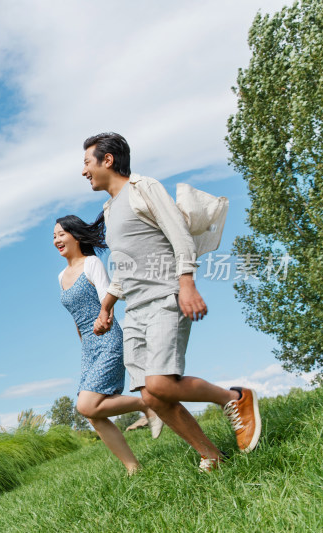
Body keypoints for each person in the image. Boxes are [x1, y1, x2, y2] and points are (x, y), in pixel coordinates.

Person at [82, 132, 261, 471]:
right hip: (134, 309)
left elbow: (178, 231)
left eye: (87, 162)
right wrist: (107, 307)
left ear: (108, 160)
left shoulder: (142, 188)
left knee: (161, 383)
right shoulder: (109, 208)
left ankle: (234, 398)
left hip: (164, 296)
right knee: (151, 396)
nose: (84, 171)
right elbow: (123, 267)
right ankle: (211, 455)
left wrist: (187, 282)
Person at [54, 214, 162, 475]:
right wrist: (84, 344)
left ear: (76, 236)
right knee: (93, 413)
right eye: (54, 236)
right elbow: (76, 319)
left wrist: (105, 320)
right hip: (88, 348)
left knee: (86, 405)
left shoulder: (91, 264)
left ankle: (147, 405)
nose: (57, 240)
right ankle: (133, 467)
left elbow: (107, 299)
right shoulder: (61, 276)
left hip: (109, 338)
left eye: (61, 234)